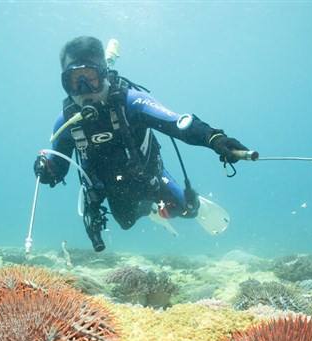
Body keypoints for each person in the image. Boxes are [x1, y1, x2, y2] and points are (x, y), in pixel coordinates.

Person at [33, 36, 250, 252]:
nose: (84, 88)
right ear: (65, 84)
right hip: (111, 188)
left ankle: (182, 206)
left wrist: (214, 139)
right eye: (74, 81)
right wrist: (46, 170)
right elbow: (58, 168)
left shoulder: (131, 102)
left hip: (150, 176)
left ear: (104, 74)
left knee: (187, 211)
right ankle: (150, 210)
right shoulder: (66, 123)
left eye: (90, 78)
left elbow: (178, 123)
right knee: (126, 223)